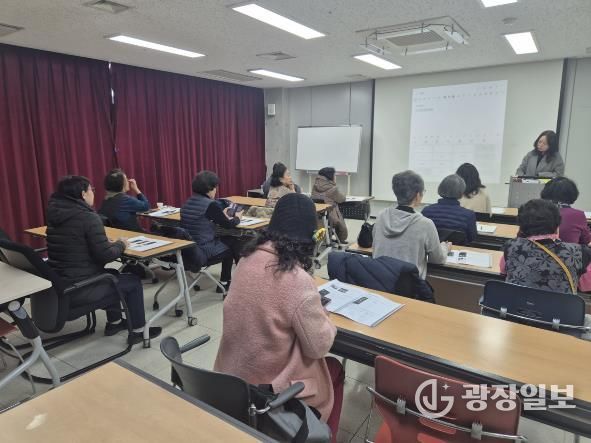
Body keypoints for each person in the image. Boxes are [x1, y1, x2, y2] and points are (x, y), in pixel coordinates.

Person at [214, 193, 344, 440]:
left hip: (231, 382)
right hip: (268, 395)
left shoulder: (245, 260)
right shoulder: (298, 281)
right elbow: (319, 347)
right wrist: (324, 314)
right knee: (335, 369)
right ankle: (324, 436)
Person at [46, 175, 161, 344]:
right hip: (81, 288)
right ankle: (138, 332)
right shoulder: (87, 217)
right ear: (83, 194)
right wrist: (121, 244)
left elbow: (77, 242)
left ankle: (114, 323)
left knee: (112, 273)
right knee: (133, 282)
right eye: (91, 190)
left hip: (62, 282)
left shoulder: (55, 216)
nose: (93, 193)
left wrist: (102, 242)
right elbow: (106, 255)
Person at [501, 199, 591, 294]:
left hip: (517, 301)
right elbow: (586, 286)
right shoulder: (580, 252)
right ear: (558, 224)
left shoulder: (511, 246)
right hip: (558, 304)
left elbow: (503, 271)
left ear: (521, 227)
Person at [373, 170, 450, 279]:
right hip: (409, 285)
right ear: (418, 195)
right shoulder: (425, 224)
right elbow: (438, 259)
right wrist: (445, 248)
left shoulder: (381, 216)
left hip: (379, 280)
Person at [181, 171, 243, 293]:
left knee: (229, 241)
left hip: (188, 249)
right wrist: (238, 218)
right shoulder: (210, 204)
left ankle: (228, 282)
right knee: (234, 242)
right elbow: (228, 225)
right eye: (215, 187)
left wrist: (221, 215)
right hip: (204, 249)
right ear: (209, 188)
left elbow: (201, 220)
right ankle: (233, 282)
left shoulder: (188, 202)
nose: (216, 191)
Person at [422, 174, 478, 244]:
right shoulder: (468, 215)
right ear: (461, 192)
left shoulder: (426, 211)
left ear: (440, 188)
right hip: (458, 250)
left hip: (432, 250)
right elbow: (472, 238)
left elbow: (422, 234)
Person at [541, 177, 591, 245]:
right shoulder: (578, 215)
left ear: (546, 191)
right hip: (566, 251)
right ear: (572, 194)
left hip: (535, 251)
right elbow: (586, 241)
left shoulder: (534, 212)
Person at [311, 167, 348, 243]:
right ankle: (340, 238)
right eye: (335, 175)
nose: (335, 177)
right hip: (330, 217)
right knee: (339, 215)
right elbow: (342, 199)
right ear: (330, 176)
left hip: (316, 217)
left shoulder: (315, 186)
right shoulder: (333, 189)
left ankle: (328, 237)